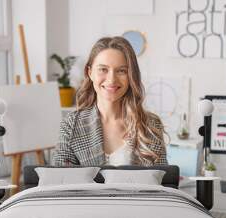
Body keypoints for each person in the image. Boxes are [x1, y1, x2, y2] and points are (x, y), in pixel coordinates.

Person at [53, 36, 168, 166]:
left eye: (121, 71)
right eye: (103, 69)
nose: (112, 79)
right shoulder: (71, 125)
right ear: (89, 72)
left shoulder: (151, 125)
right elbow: (59, 181)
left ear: (131, 76)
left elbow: (162, 181)